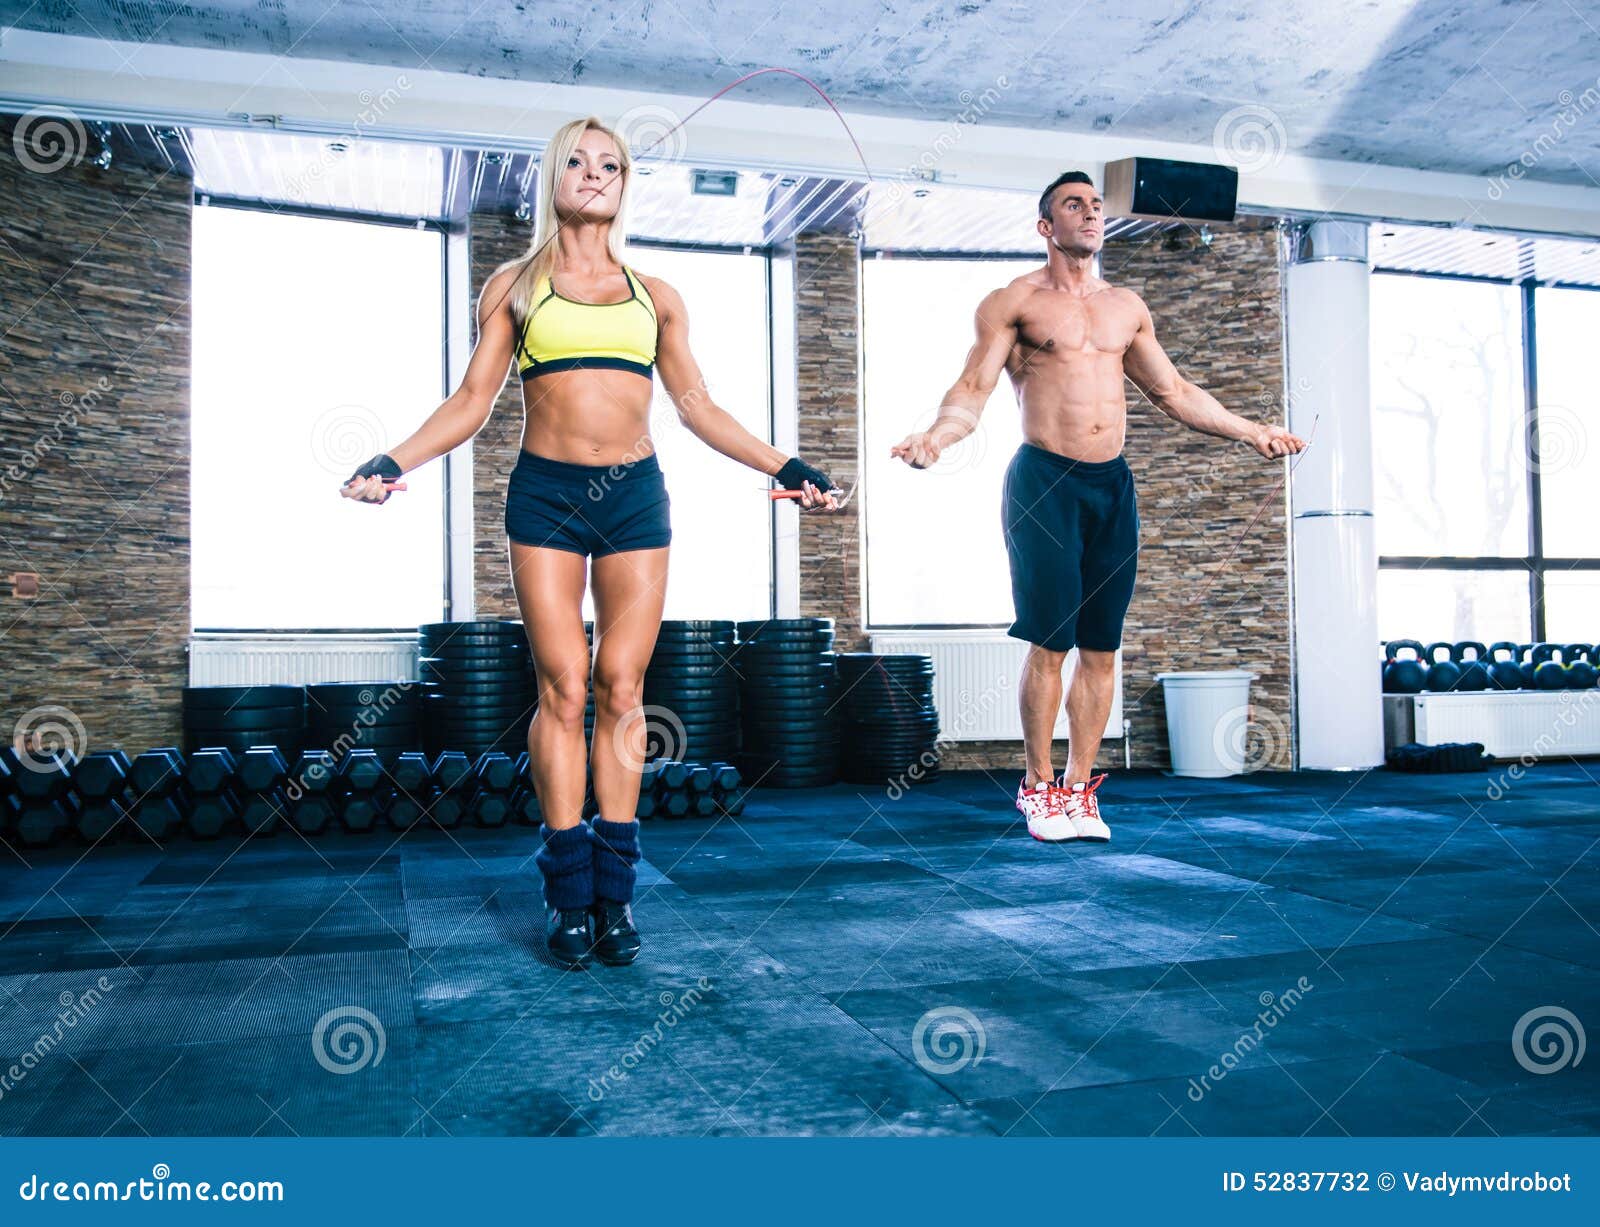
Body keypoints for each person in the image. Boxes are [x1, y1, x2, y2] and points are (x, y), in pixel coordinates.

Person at [343, 116, 840, 966]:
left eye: (611, 163)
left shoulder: (656, 295)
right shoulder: (515, 286)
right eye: (577, 160)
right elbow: (471, 401)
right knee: (564, 686)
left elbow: (699, 407)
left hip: (635, 501)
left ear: (624, 184)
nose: (594, 173)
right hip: (546, 498)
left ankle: (618, 896)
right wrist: (393, 456)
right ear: (553, 178)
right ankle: (570, 894)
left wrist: (786, 463)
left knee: (621, 684)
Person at [890, 170, 1304, 844]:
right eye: (1072, 206)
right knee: (1050, 643)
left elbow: (1173, 390)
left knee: (1102, 646)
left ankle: (1081, 790)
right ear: (1046, 227)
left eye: (1094, 206)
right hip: (1045, 484)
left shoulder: (1125, 307)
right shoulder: (1014, 302)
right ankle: (1038, 785)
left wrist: (1250, 429)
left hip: (1112, 486)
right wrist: (937, 437)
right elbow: (973, 387)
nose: (1089, 214)